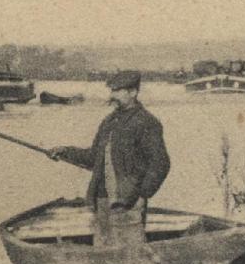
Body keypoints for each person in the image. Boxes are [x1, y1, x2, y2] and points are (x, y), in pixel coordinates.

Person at [49, 70, 170, 247]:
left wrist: (142, 194)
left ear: (133, 92)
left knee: (131, 252)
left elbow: (160, 163)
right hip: (102, 200)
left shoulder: (147, 122)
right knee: (102, 249)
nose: (112, 95)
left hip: (129, 202)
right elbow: (93, 157)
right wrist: (65, 152)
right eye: (112, 90)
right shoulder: (108, 122)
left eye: (117, 91)